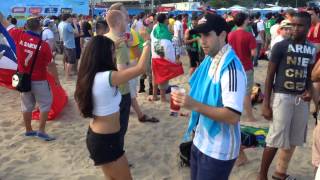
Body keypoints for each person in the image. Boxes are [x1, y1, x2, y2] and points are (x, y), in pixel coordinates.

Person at [171, 13, 246, 180]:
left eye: (207, 35)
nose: (202, 40)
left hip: (219, 150)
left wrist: (194, 105)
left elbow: (233, 116)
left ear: (222, 35)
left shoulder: (230, 68)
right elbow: (205, 95)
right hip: (200, 139)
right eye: (200, 35)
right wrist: (191, 108)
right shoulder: (210, 59)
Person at [74, 26, 151, 179]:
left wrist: (113, 43)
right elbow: (141, 68)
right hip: (106, 140)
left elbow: (98, 51)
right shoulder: (109, 77)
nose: (114, 55)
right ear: (104, 55)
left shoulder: (89, 74)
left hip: (99, 136)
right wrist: (147, 42)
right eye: (112, 52)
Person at [259, 12, 316, 180]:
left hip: (301, 100)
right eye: (293, 25)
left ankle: (280, 173)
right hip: (282, 97)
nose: (295, 29)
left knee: (293, 139)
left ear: (308, 27)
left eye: (300, 26)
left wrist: (309, 92)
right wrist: (265, 103)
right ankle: (262, 175)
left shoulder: (311, 49)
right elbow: (270, 75)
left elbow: (308, 75)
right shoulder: (281, 46)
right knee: (275, 138)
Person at [0, 14, 60, 141]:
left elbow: (4, 22)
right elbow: (51, 65)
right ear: (40, 28)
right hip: (40, 81)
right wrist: (56, 80)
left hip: (22, 79)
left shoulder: (18, 34)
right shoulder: (44, 46)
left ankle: (28, 130)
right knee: (45, 105)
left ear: (26, 26)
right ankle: (42, 131)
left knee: (26, 106)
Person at [105, 6, 132, 150]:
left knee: (111, 127)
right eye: (125, 19)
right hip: (121, 92)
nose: (127, 21)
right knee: (120, 129)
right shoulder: (119, 43)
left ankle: (112, 151)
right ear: (119, 22)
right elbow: (122, 72)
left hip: (107, 90)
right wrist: (136, 66)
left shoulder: (105, 39)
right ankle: (117, 155)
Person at [228, 12, 257, 122]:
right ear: (245, 21)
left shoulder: (231, 35)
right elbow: (254, 53)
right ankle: (250, 116)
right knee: (246, 93)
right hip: (246, 67)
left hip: (234, 66)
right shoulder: (249, 35)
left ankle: (235, 114)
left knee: (235, 91)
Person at [58, 13, 79, 80]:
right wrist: (75, 24)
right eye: (70, 18)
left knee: (67, 61)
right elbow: (76, 32)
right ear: (67, 18)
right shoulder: (68, 25)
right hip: (70, 45)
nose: (71, 19)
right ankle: (67, 76)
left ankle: (67, 74)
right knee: (71, 61)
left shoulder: (62, 24)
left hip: (65, 44)